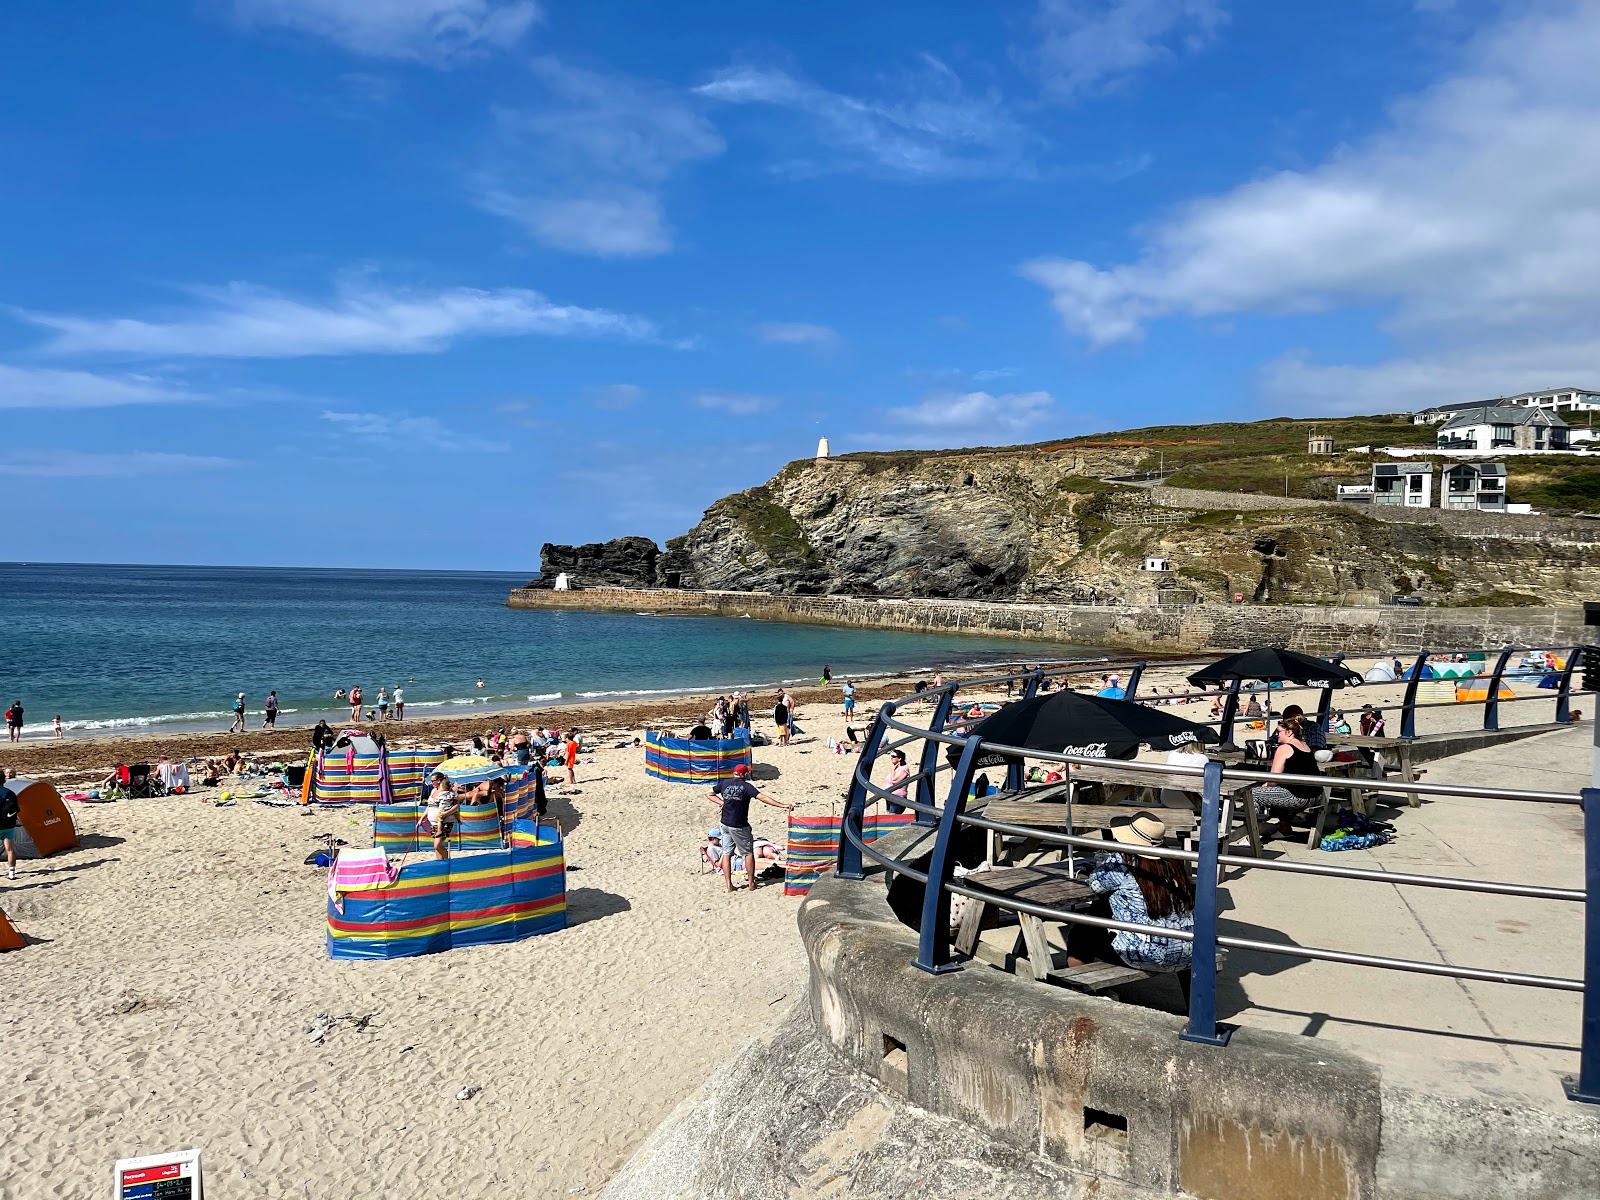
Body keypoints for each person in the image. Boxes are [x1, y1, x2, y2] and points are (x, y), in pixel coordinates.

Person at [1066, 812, 1194, 973]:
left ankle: (1081, 989)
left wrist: (1101, 864)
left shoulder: (1122, 862)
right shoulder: (1174, 862)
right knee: (1103, 912)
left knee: (1081, 934)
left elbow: (1095, 884)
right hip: (1187, 952)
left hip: (1144, 956)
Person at [706, 763, 794, 893]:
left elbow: (709, 793)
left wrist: (722, 802)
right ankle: (751, 884)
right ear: (744, 775)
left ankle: (729, 885)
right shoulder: (746, 787)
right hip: (739, 825)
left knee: (726, 854)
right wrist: (783, 806)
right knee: (748, 853)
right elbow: (763, 798)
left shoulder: (725, 784)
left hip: (724, 824)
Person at [1251, 714, 1323, 836]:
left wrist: (1263, 786)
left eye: (1279, 732)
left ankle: (1252, 835)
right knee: (1277, 792)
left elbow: (1273, 780)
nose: (1276, 735)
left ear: (1289, 732)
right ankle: (1284, 828)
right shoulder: (1305, 745)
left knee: (1252, 794)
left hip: (1299, 797)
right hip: (1315, 795)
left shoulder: (1284, 748)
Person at [426, 771, 459, 860]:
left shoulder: (449, 792)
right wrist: (421, 819)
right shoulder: (433, 790)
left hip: (445, 820)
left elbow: (456, 806)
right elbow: (429, 806)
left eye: (433, 781)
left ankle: (449, 861)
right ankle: (440, 864)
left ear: (439, 781)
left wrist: (445, 814)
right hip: (433, 822)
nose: (431, 782)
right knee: (436, 846)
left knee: (437, 845)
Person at [0, 776, 20, 879]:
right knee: (10, 849)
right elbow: (16, 809)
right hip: (9, 824)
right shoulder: (10, 793)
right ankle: (11, 873)